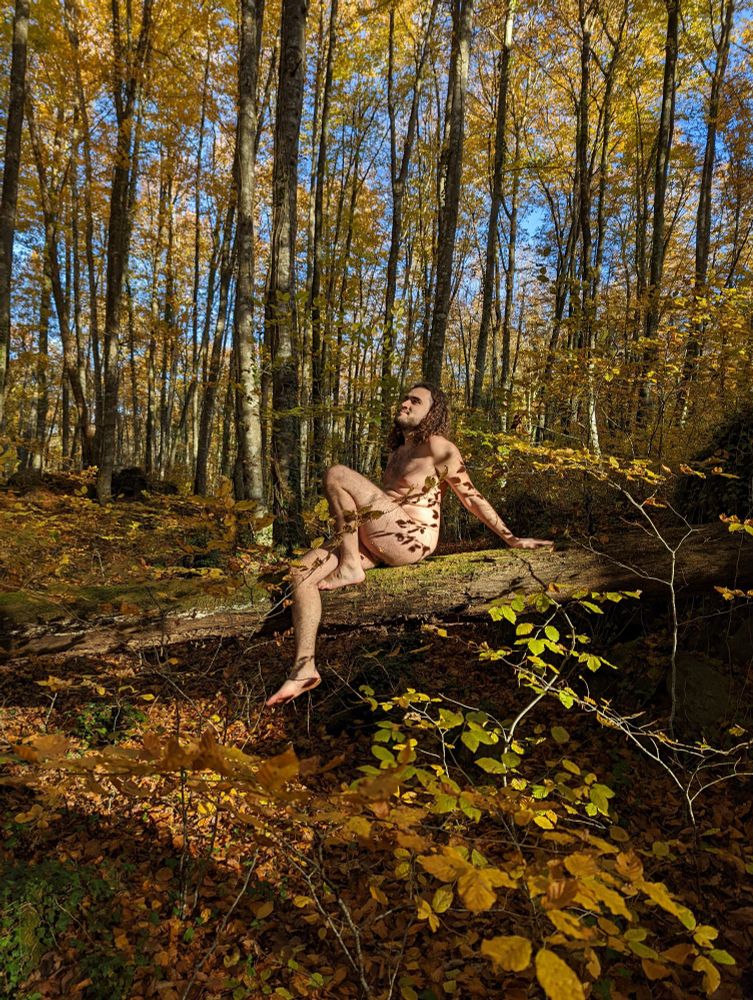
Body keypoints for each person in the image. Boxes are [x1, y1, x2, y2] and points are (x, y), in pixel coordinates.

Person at [265, 383, 552, 706]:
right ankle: (304, 668)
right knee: (302, 571)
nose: (404, 404)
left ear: (433, 412)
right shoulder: (398, 452)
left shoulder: (439, 448)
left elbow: (471, 498)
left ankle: (350, 567)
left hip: (412, 537)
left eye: (415, 401)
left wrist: (511, 538)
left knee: (337, 474)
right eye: (404, 398)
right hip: (379, 539)